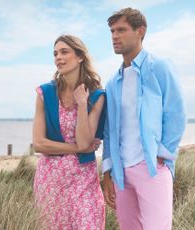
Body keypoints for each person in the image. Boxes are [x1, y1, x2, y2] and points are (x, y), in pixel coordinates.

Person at [102, 8, 186, 230]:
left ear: (141, 31)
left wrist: (163, 154)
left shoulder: (159, 67)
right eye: (112, 31)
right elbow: (109, 131)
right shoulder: (112, 83)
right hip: (122, 172)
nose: (115, 36)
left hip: (152, 168)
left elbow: (176, 113)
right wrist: (108, 170)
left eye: (121, 30)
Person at [33, 35, 106, 229]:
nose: (58, 57)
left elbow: (85, 142)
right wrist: (77, 148)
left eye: (65, 52)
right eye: (55, 53)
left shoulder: (97, 95)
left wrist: (82, 103)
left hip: (83, 180)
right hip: (50, 181)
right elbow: (39, 144)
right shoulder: (45, 93)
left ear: (80, 56)